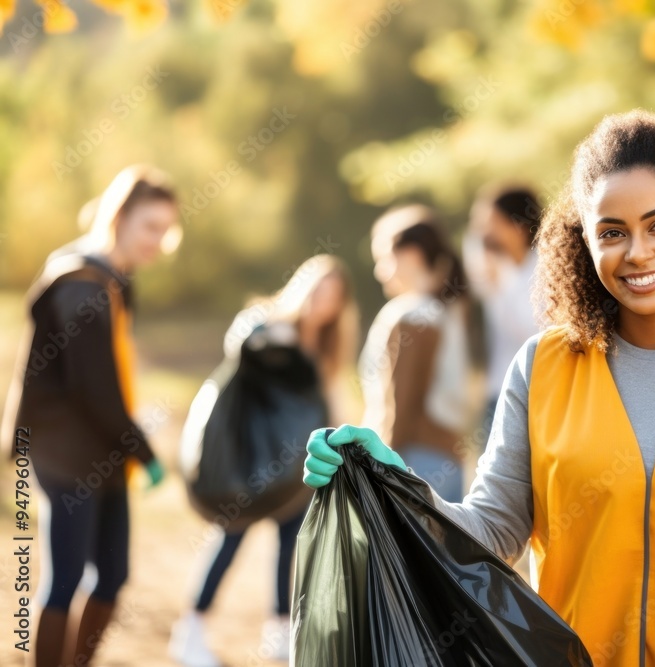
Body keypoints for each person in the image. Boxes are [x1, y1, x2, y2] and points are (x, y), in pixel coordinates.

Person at [303, 110, 655, 666]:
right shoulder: (543, 367)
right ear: (585, 240)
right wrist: (394, 481)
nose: (637, 253)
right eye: (612, 232)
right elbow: (490, 530)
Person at [1, 165, 181, 667]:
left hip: (102, 450)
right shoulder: (81, 281)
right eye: (150, 226)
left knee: (113, 573)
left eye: (166, 230)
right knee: (63, 580)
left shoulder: (112, 280)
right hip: (64, 450)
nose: (158, 241)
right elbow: (93, 390)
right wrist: (145, 453)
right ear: (119, 216)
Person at [169, 254, 359, 667]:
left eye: (332, 295)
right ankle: (191, 629)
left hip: (295, 470)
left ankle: (278, 631)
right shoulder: (263, 321)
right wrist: (275, 337)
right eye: (317, 287)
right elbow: (239, 349)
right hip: (247, 460)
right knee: (230, 537)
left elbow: (330, 401)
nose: (321, 300)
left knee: (291, 542)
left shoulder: (325, 349)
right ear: (301, 284)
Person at [357, 205, 474, 502]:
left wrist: (381, 466)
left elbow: (401, 401)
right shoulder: (448, 310)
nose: (378, 271)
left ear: (411, 254)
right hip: (447, 459)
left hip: (411, 461)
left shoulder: (412, 315)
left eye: (384, 258)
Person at [463, 183, 545, 435]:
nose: (486, 234)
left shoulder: (544, 270)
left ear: (518, 227)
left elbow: (532, 335)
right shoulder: (497, 266)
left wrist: (501, 289)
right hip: (496, 388)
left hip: (536, 390)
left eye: (493, 223)